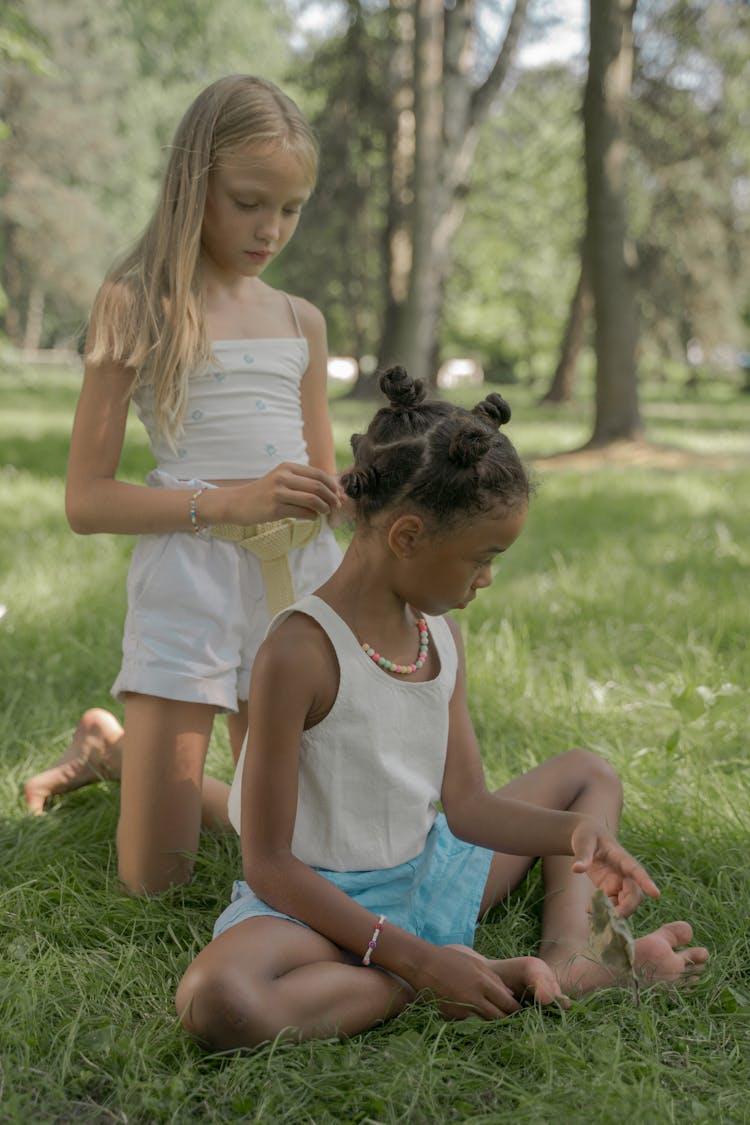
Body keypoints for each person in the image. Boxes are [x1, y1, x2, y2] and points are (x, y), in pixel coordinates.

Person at [175, 367, 708, 1049]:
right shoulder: (299, 653)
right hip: (317, 907)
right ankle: (462, 974)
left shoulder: (439, 635)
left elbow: (468, 806)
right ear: (406, 537)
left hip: (428, 872)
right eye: (481, 559)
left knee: (587, 774)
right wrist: (419, 960)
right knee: (218, 1001)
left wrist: (576, 832)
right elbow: (270, 864)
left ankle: (571, 956)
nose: (487, 578)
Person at [23, 75, 346, 895]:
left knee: (310, 852)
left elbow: (322, 476)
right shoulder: (137, 304)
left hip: (295, 586)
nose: (271, 229)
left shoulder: (300, 319)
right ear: (193, 181)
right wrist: (228, 500)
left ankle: (113, 749)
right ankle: (122, 751)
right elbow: (86, 501)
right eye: (248, 202)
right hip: (190, 579)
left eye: (293, 208)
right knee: (156, 879)